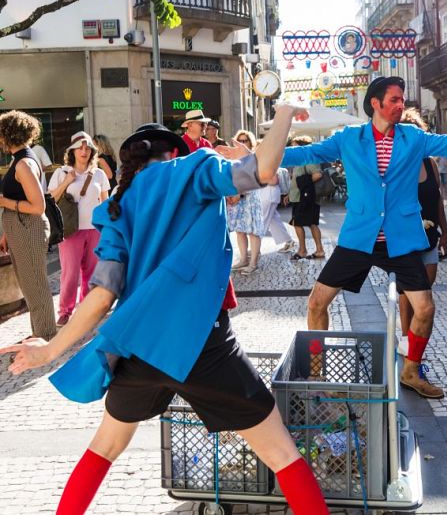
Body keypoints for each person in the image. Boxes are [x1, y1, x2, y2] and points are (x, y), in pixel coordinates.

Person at [0, 105, 329, 515]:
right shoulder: (194, 168)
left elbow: (101, 295)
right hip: (204, 345)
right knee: (281, 453)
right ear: (173, 152)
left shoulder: (118, 205)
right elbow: (262, 171)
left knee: (104, 448)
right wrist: (282, 115)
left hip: (141, 349)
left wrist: (49, 350)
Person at [280, 76, 447, 398]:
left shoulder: (413, 137)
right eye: (394, 100)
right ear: (375, 103)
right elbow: (303, 155)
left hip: (400, 238)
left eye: (402, 100)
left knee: (425, 308)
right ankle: (317, 374)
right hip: (359, 238)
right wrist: (254, 157)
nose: (401, 105)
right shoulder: (349, 138)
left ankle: (411, 371)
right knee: (317, 302)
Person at [395, 108, 447, 377]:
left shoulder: (430, 165)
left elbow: (437, 199)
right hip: (405, 239)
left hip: (430, 236)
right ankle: (407, 341)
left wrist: (445, 232)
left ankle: (414, 338)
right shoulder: (395, 166)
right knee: (407, 292)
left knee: (426, 288)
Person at [0, 110, 57, 340]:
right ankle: (39, 335)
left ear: (8, 134)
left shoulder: (23, 163)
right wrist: (7, 234)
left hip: (27, 228)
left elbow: (37, 206)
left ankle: (45, 338)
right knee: (31, 286)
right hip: (20, 228)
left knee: (35, 287)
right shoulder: (21, 158)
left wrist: (4, 202)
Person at [48, 132, 110, 326]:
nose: (84, 151)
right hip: (70, 231)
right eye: (80, 148)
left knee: (91, 272)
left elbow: (105, 202)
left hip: (94, 229)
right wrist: (67, 182)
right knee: (70, 274)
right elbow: (50, 199)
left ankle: (86, 309)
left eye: (88, 148)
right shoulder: (61, 173)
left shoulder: (99, 174)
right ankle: (65, 311)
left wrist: (107, 228)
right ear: (72, 151)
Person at [226, 130, 266, 274]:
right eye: (240, 140)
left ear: (250, 142)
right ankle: (243, 259)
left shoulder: (254, 157)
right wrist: (229, 194)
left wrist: (240, 194)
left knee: (253, 231)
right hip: (236, 199)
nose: (242, 143)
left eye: (245, 140)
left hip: (250, 198)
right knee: (240, 230)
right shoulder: (233, 159)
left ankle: (253, 262)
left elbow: (257, 179)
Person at [286, 136, 326, 260]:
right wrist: (289, 194)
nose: (292, 149)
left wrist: (303, 186)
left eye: (295, 146)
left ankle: (303, 250)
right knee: (311, 223)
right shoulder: (300, 160)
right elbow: (296, 181)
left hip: (305, 197)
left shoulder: (308, 158)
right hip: (299, 197)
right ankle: (319, 250)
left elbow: (317, 174)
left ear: (302, 147)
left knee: (299, 223)